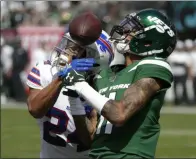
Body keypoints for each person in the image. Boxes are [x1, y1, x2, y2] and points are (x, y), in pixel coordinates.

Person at [63, 9, 177, 158]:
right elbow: (89, 138)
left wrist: (79, 84)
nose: (124, 32)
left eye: (133, 31)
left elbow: (119, 114)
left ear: (149, 42)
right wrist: (74, 100)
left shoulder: (154, 66)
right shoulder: (104, 75)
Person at [26, 21, 113, 159]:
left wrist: (76, 100)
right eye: (69, 44)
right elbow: (35, 109)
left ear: (95, 58)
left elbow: (89, 140)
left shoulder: (102, 88)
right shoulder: (46, 71)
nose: (67, 51)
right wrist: (61, 78)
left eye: (77, 49)